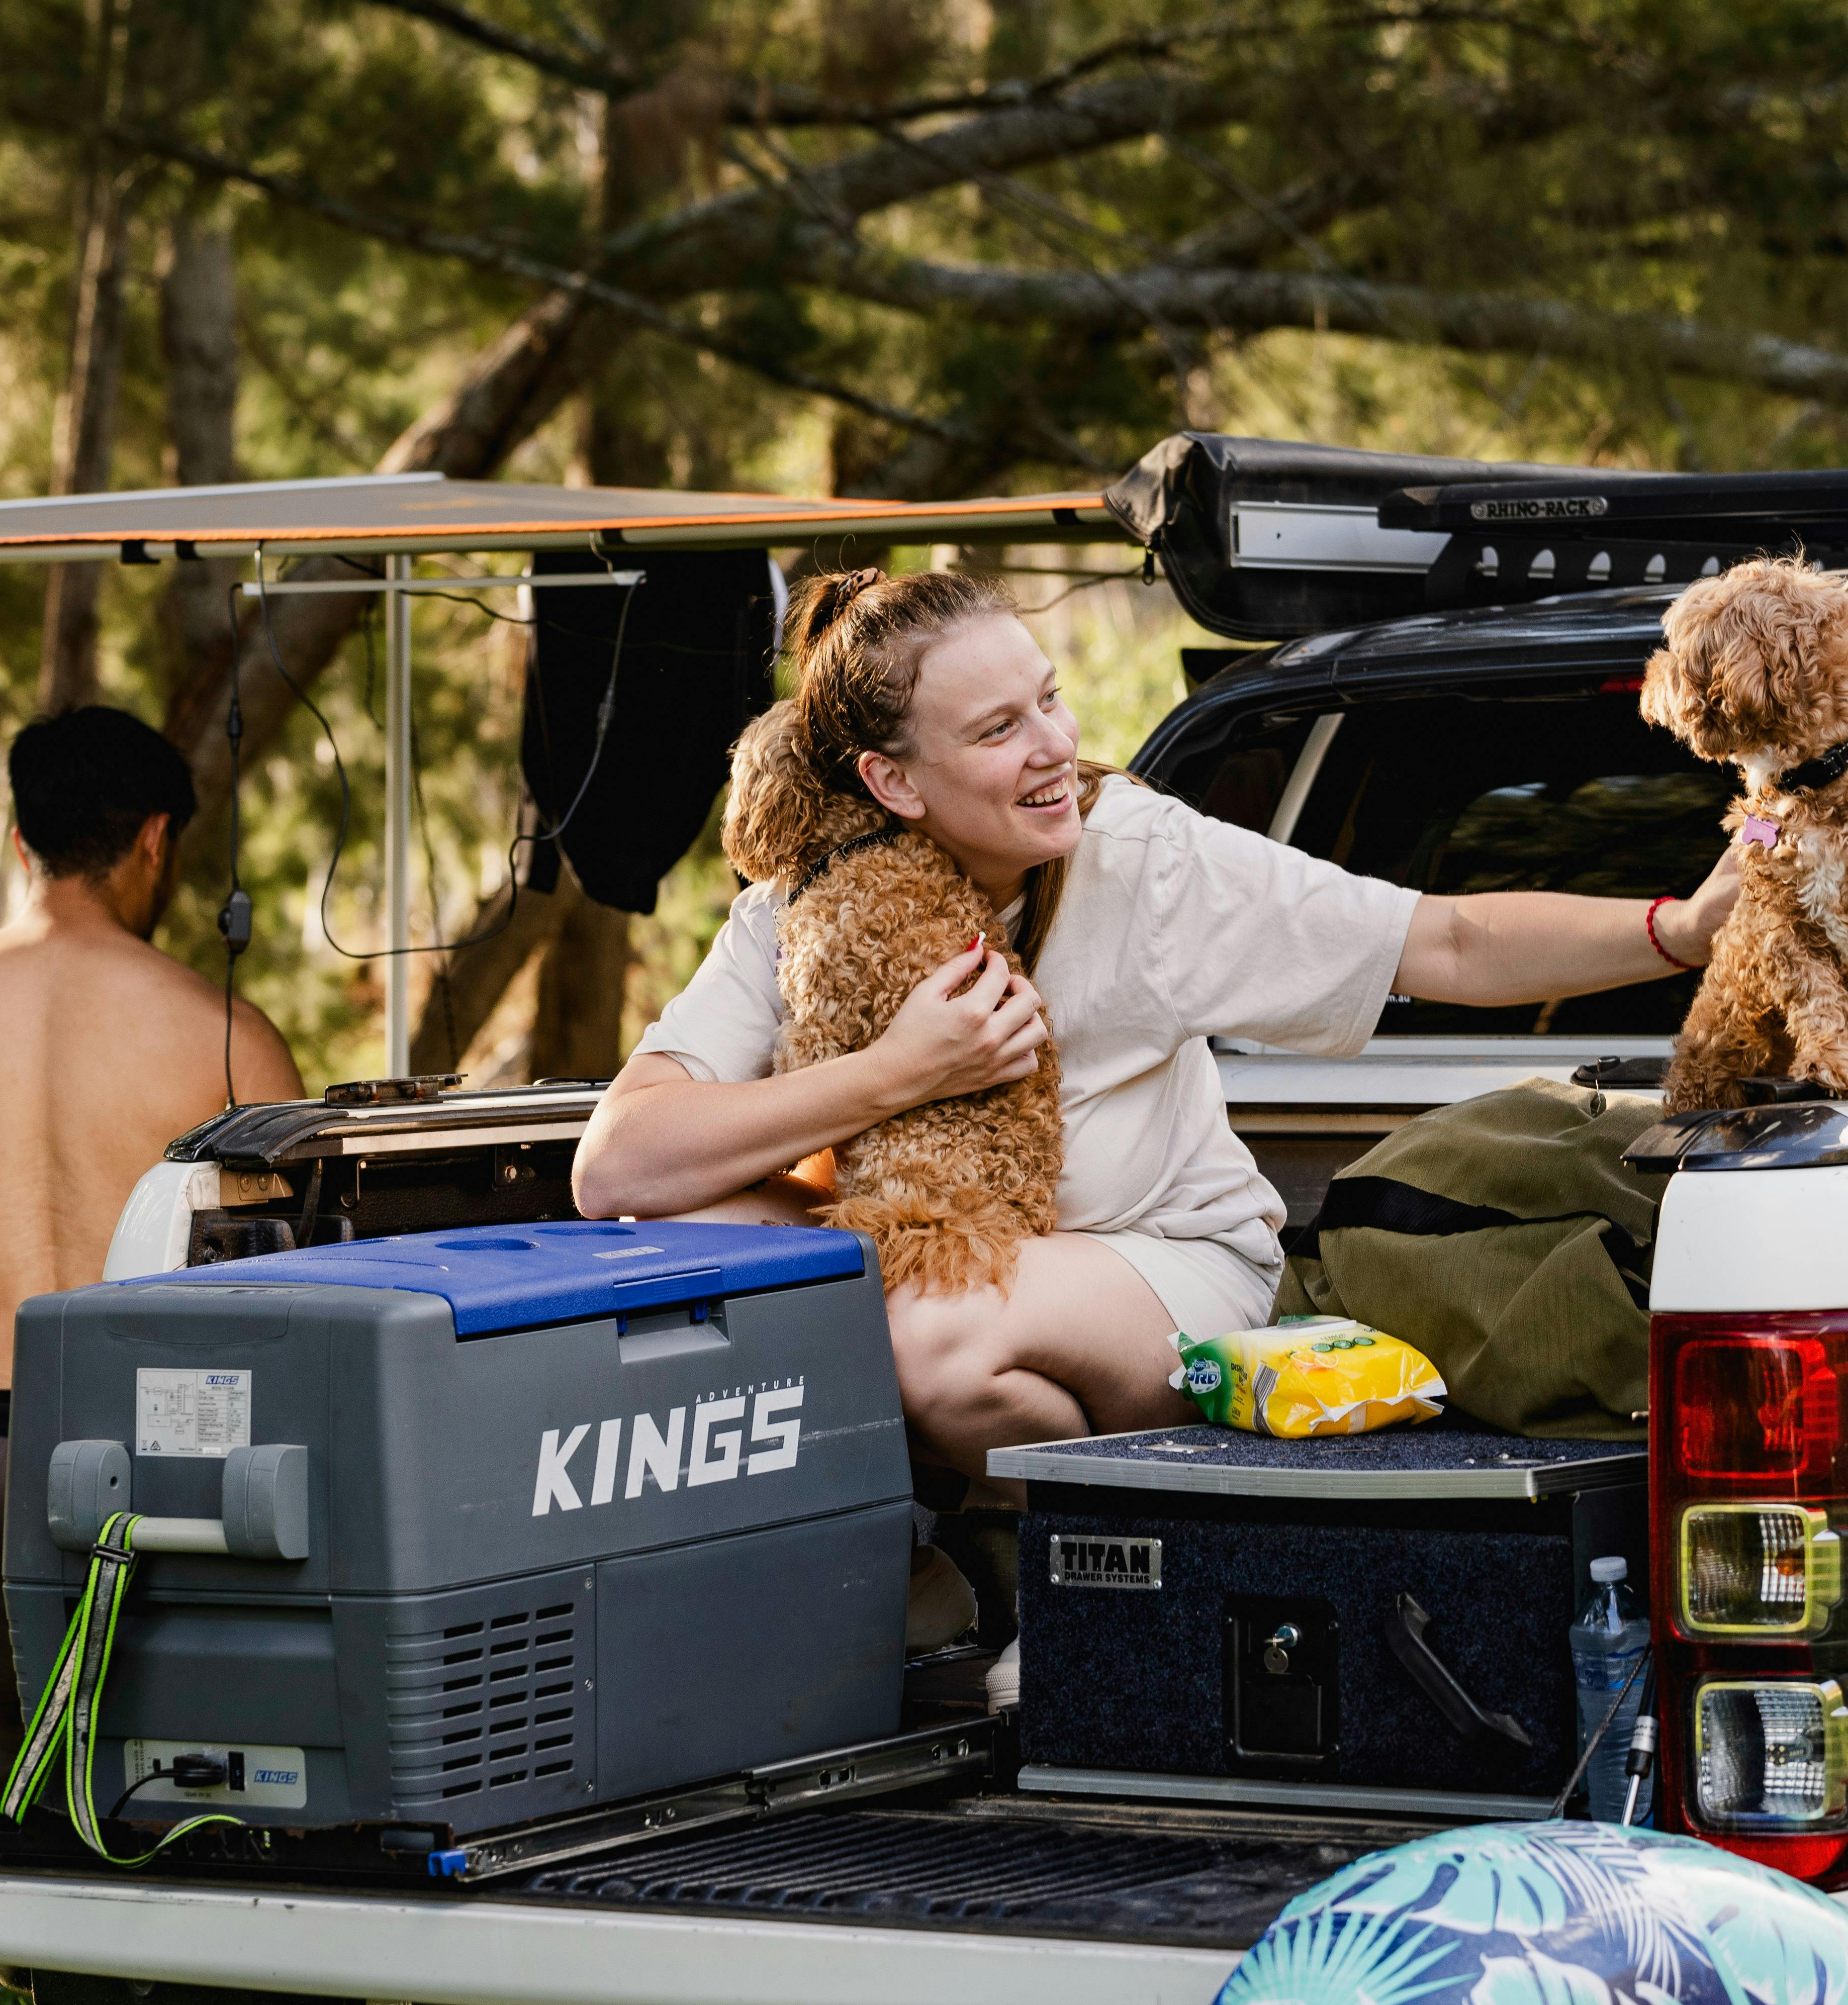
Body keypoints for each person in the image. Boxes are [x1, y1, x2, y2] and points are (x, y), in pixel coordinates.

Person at [570, 568, 1740, 1693]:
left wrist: (1679, 932)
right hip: (934, 1272)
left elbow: (1438, 944)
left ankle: (1068, 1586)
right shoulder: (804, 908)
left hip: (1169, 1272)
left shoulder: (1137, 855)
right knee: (692, 1227)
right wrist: (893, 1072)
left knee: (930, 1336)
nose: (1051, 749)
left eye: (1048, 699)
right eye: (996, 731)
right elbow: (616, 1165)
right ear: (892, 783)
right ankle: (902, 1556)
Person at [0, 706, 302, 2005]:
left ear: (22, 830)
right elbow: (278, 1300)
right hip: (156, 1462)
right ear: (154, 841)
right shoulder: (223, 1035)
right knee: (171, 1793)